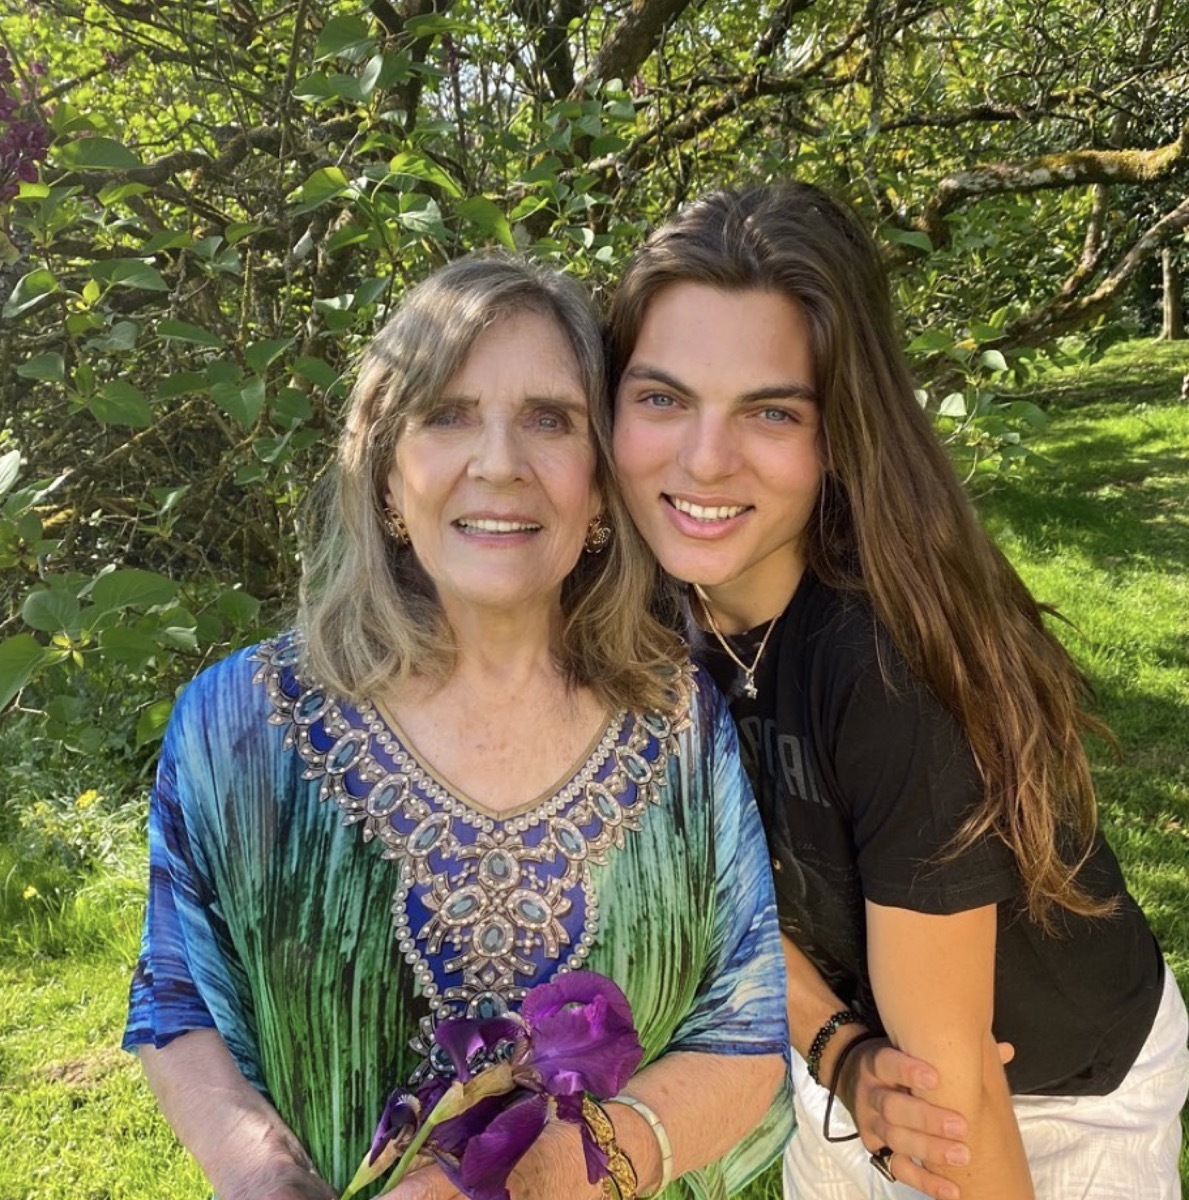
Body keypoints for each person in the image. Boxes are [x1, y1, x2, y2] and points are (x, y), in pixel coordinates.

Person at [122, 257, 794, 1200]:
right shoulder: (238, 726)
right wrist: (265, 1178)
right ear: (387, 473)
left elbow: (746, 1031)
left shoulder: (677, 719)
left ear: (600, 484)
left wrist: (549, 1175)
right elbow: (174, 998)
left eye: (549, 420)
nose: (499, 463)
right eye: (446, 414)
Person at [608, 182, 1189, 1200]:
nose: (702, 459)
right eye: (661, 397)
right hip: (857, 1060)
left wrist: (867, 1067)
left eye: (771, 410)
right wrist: (838, 1054)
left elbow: (954, 1100)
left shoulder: (883, 671)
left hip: (1047, 1096)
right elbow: (718, 888)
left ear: (840, 431)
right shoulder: (642, 619)